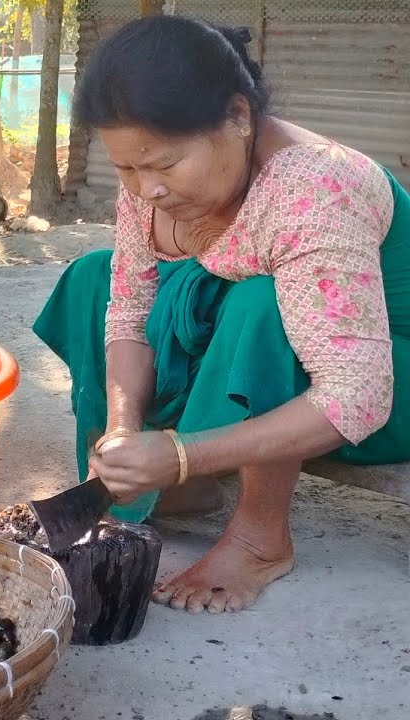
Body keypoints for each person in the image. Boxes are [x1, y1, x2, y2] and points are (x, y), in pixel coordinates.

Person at [32, 16, 410, 614]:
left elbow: (358, 394)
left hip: (382, 373)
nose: (145, 189)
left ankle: (260, 538)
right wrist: (125, 425)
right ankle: (140, 482)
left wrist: (182, 451)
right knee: (93, 276)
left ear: (237, 116)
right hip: (309, 353)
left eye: (164, 164)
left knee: (262, 301)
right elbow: (129, 312)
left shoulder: (314, 189)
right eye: (128, 168)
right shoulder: (148, 188)